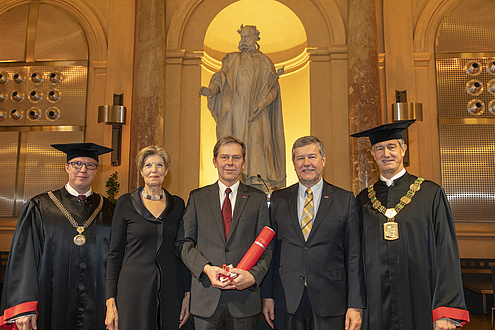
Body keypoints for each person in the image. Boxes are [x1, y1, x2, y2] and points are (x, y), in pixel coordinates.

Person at [350, 120, 470, 330]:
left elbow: (446, 252)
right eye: (379, 148)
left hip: (422, 300)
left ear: (403, 149)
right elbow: (355, 258)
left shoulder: (430, 194)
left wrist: (445, 310)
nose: (386, 153)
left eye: (391, 147)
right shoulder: (362, 200)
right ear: (373, 154)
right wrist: (356, 306)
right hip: (375, 305)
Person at [0, 143, 115, 330]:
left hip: (97, 304)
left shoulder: (110, 209)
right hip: (50, 300)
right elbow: (24, 257)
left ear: (96, 170)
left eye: (90, 165)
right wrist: (24, 305)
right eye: (77, 164)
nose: (83, 170)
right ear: (67, 167)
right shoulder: (40, 206)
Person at [261, 136, 366, 330]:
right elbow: (269, 250)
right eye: (300, 158)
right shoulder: (278, 199)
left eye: (312, 157)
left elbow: (354, 255)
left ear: (323, 160)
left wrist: (355, 304)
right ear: (293, 164)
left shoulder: (345, 200)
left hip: (331, 300)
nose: (306, 163)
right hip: (286, 300)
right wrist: (267, 295)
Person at [176, 135, 272, 330]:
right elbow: (184, 243)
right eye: (224, 157)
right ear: (214, 161)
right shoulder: (197, 197)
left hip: (244, 300)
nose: (230, 163)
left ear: (243, 163)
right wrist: (206, 268)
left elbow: (267, 247)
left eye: (236, 158)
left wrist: (253, 276)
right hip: (206, 298)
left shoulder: (257, 198)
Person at [105, 145, 190, 330]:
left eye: (160, 165)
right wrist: (110, 302)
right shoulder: (125, 203)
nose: (154, 170)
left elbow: (182, 250)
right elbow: (114, 254)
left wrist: (187, 294)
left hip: (170, 290)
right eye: (148, 165)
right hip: (133, 290)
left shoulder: (177, 205)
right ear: (141, 171)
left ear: (166, 171)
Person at [199, 24, 286, 192]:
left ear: (255, 39)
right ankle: (234, 185)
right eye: (242, 37)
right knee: (231, 148)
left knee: (257, 149)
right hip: (234, 115)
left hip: (258, 115)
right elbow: (220, 79)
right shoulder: (231, 60)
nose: (243, 41)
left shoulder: (265, 62)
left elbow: (273, 88)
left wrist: (263, 104)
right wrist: (211, 90)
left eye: (246, 37)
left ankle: (257, 188)